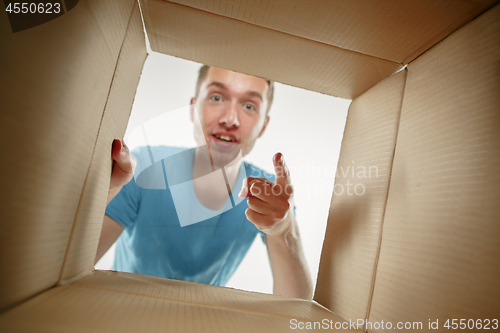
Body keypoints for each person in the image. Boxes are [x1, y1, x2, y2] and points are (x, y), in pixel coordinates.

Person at [95, 65, 313, 299]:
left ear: (263, 125)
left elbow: (295, 308)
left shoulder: (266, 195)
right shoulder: (145, 167)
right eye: (216, 97)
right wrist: (104, 193)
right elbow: (69, 266)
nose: (230, 119)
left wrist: (284, 229)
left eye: (249, 106)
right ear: (192, 108)